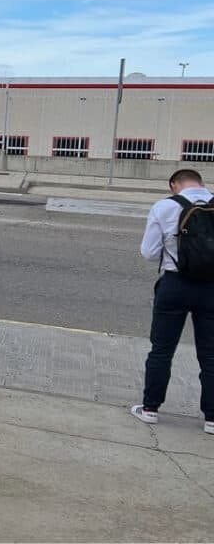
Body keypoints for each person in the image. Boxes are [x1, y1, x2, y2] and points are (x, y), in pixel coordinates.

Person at [133, 168, 214, 434]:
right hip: (210, 288)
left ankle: (150, 409)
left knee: (162, 349)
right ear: (202, 184)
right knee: (211, 355)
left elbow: (148, 252)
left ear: (173, 185)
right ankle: (212, 418)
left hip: (175, 284)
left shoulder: (164, 207)